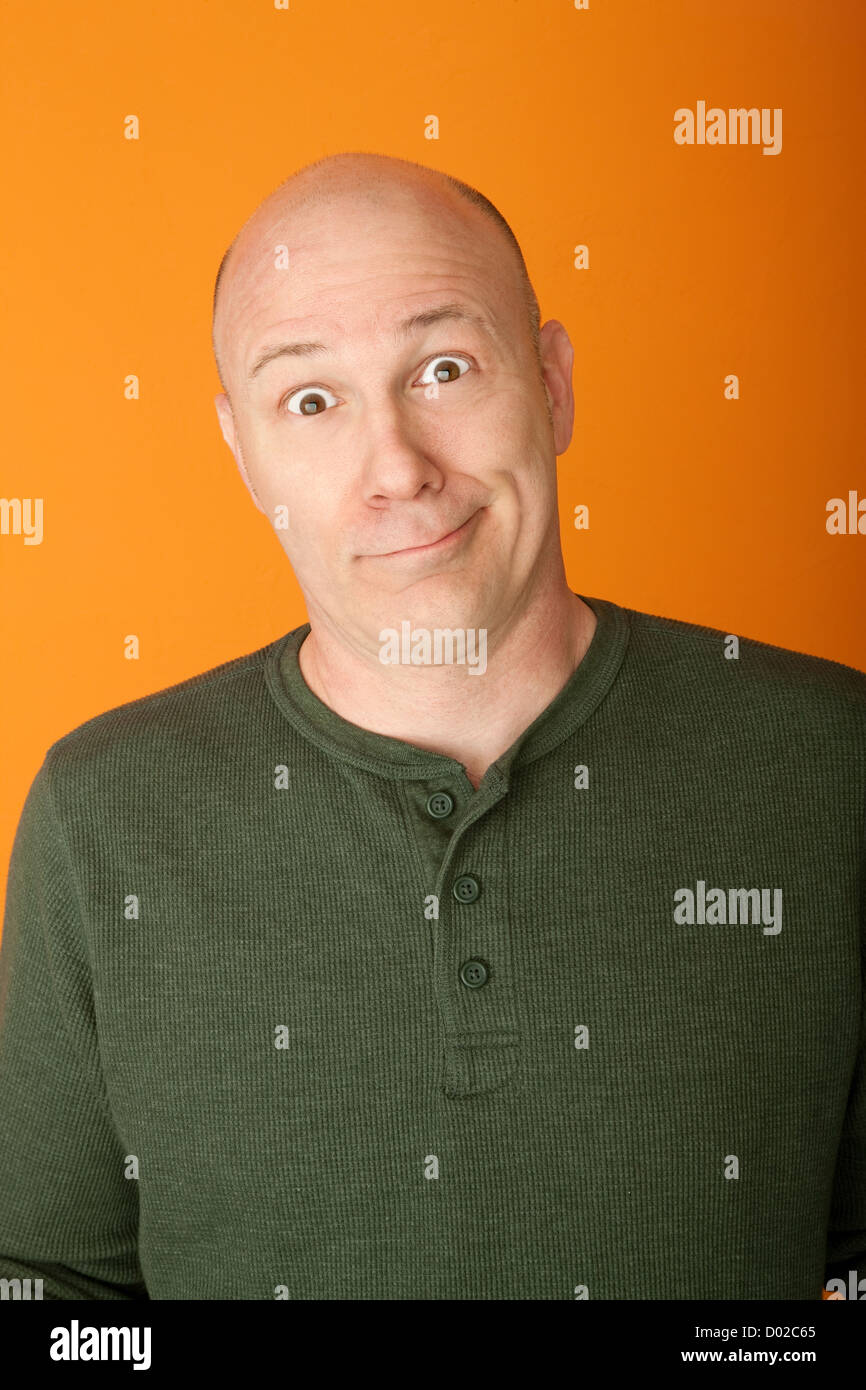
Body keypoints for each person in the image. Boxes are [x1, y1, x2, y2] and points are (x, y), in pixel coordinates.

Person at [0, 151, 863, 1301]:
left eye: (445, 367)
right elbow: (48, 1293)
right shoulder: (101, 810)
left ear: (551, 383)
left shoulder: (829, 763)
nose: (396, 467)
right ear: (242, 450)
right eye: (311, 399)